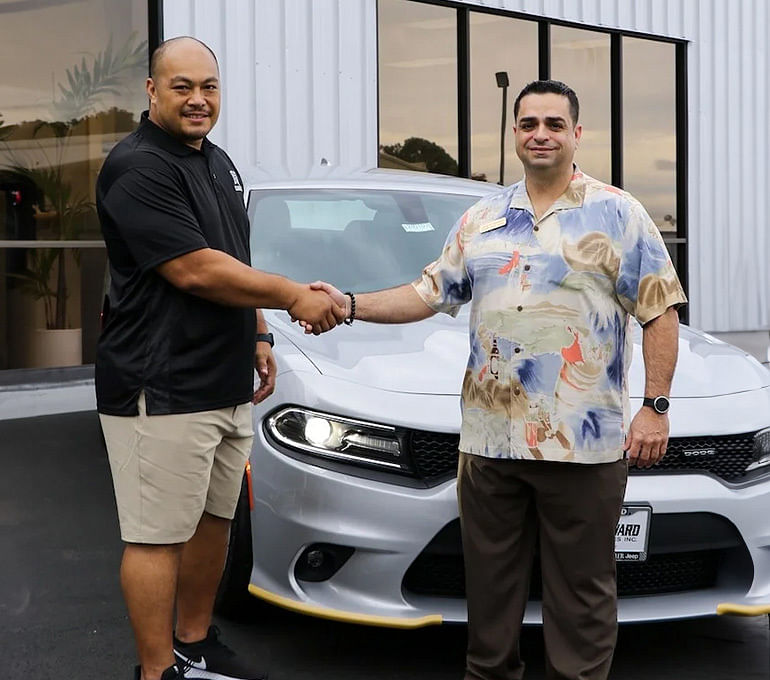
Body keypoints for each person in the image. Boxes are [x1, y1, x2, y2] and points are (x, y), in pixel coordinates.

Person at [302, 80, 687, 680]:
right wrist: (349, 303)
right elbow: (428, 292)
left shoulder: (618, 213)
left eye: (554, 124)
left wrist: (655, 406)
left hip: (583, 450)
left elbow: (661, 310)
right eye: (528, 123)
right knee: (489, 602)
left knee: (582, 602)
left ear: (576, 134)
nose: (540, 134)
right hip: (489, 447)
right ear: (513, 133)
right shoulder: (482, 218)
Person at [95, 37, 344, 680]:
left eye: (209, 87)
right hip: (161, 385)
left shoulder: (216, 162)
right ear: (152, 92)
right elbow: (196, 271)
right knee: (157, 535)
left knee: (213, 521)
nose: (198, 100)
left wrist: (258, 333)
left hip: (223, 380)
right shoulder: (138, 168)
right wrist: (292, 296)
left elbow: (230, 255)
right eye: (182, 87)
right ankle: (157, 672)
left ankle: (196, 644)